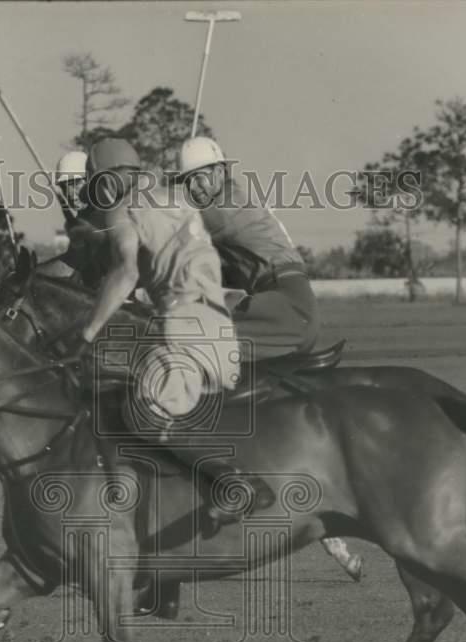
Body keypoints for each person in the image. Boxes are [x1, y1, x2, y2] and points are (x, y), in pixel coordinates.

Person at [73, 137, 274, 529]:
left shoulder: (120, 207)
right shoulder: (173, 199)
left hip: (186, 323)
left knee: (142, 411)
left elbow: (126, 272)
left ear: (108, 180)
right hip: (216, 322)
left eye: (96, 183)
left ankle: (233, 483)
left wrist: (88, 331)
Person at [176, 136, 319, 361]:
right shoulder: (230, 201)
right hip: (279, 308)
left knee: (183, 340)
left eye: (199, 177)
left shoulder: (224, 210)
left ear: (220, 172)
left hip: (287, 311)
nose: (193, 187)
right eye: (187, 180)